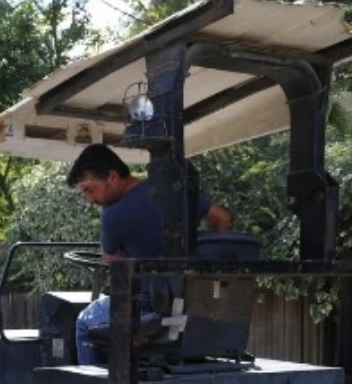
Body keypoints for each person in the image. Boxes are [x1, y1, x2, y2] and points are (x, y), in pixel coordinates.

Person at [66, 144, 231, 366]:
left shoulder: (114, 215)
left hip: (148, 306)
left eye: (89, 189)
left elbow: (112, 266)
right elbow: (221, 218)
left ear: (112, 177)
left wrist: (131, 320)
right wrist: (206, 255)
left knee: (85, 323)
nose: (89, 200)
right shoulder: (175, 194)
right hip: (195, 301)